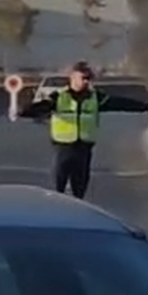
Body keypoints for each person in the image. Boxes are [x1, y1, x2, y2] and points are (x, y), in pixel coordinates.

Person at [19, 62, 108, 198]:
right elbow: (41, 107)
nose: (85, 82)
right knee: (59, 183)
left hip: (84, 147)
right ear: (72, 78)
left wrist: (146, 107)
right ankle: (59, 206)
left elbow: (121, 103)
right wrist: (22, 111)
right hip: (63, 147)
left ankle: (78, 209)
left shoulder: (95, 97)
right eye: (82, 78)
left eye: (88, 78)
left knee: (80, 185)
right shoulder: (59, 96)